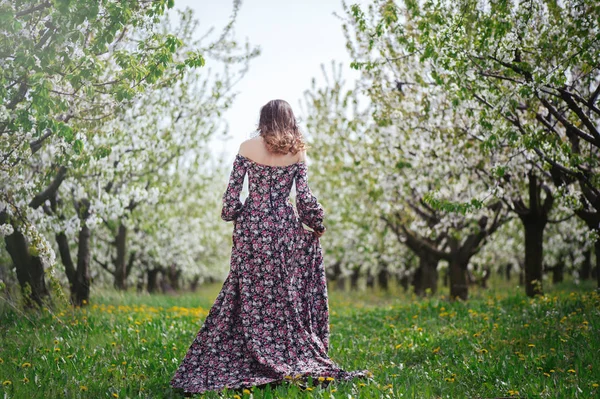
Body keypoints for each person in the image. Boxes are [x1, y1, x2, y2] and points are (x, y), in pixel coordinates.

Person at [169, 99, 370, 395]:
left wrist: (237, 214)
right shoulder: (298, 152)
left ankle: (245, 349)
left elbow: (230, 200)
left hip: (252, 226)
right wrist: (317, 223)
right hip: (283, 226)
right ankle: (284, 348)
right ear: (290, 120)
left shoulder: (246, 147)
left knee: (246, 287)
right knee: (281, 290)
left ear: (263, 119)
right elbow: (303, 199)